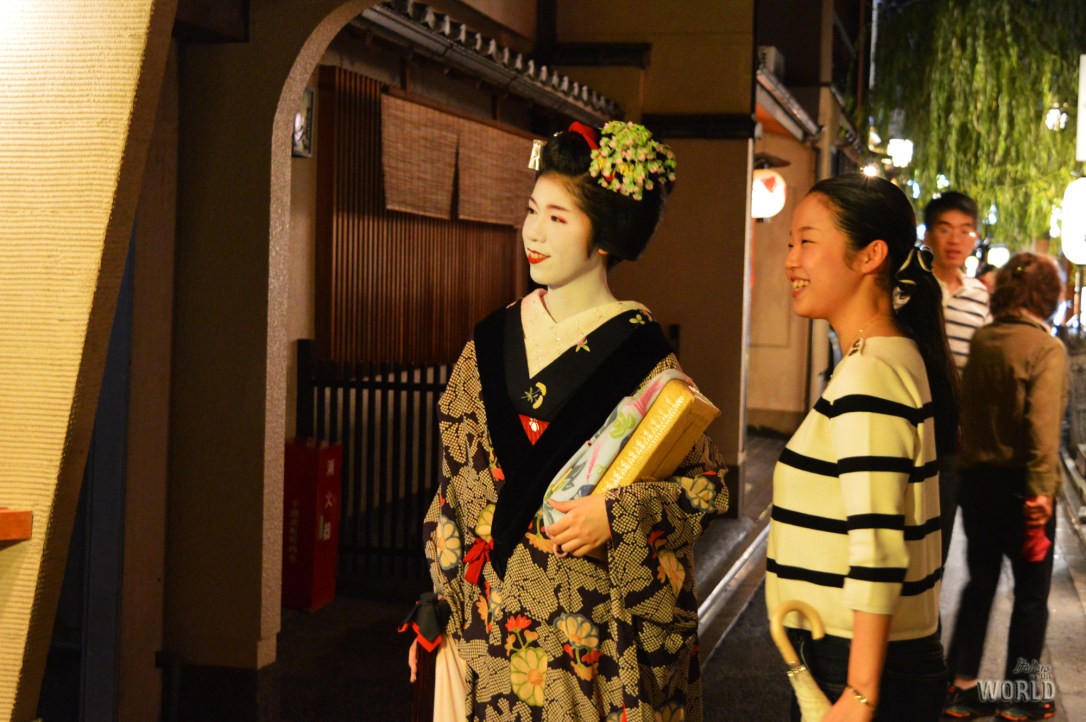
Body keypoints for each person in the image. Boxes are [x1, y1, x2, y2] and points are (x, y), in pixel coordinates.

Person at [405, 121, 729, 721]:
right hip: (491, 632)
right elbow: (454, 491)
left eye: (558, 218)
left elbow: (706, 487)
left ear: (603, 234)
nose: (533, 232)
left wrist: (619, 513)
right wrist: (442, 597)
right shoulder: (489, 342)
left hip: (594, 651)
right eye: (532, 210)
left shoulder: (644, 361)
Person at [768, 175, 957, 721]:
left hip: (856, 661)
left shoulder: (870, 372)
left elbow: (878, 546)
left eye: (807, 241)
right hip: (866, 653)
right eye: (789, 244)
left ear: (870, 254)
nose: (791, 261)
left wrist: (860, 692)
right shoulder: (884, 355)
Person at [943, 253, 1067, 721]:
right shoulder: (1045, 349)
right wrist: (1040, 492)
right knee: (1032, 596)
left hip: (978, 483)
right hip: (1023, 489)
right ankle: (1018, 695)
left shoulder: (985, 340)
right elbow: (1041, 429)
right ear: (1047, 296)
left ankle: (961, 687)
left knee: (980, 585)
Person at [923, 191, 991, 562]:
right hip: (905, 427)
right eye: (945, 229)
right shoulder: (908, 287)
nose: (955, 239)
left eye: (965, 231)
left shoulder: (980, 296)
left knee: (940, 539)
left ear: (974, 239)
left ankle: (930, 619)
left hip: (953, 434)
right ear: (929, 233)